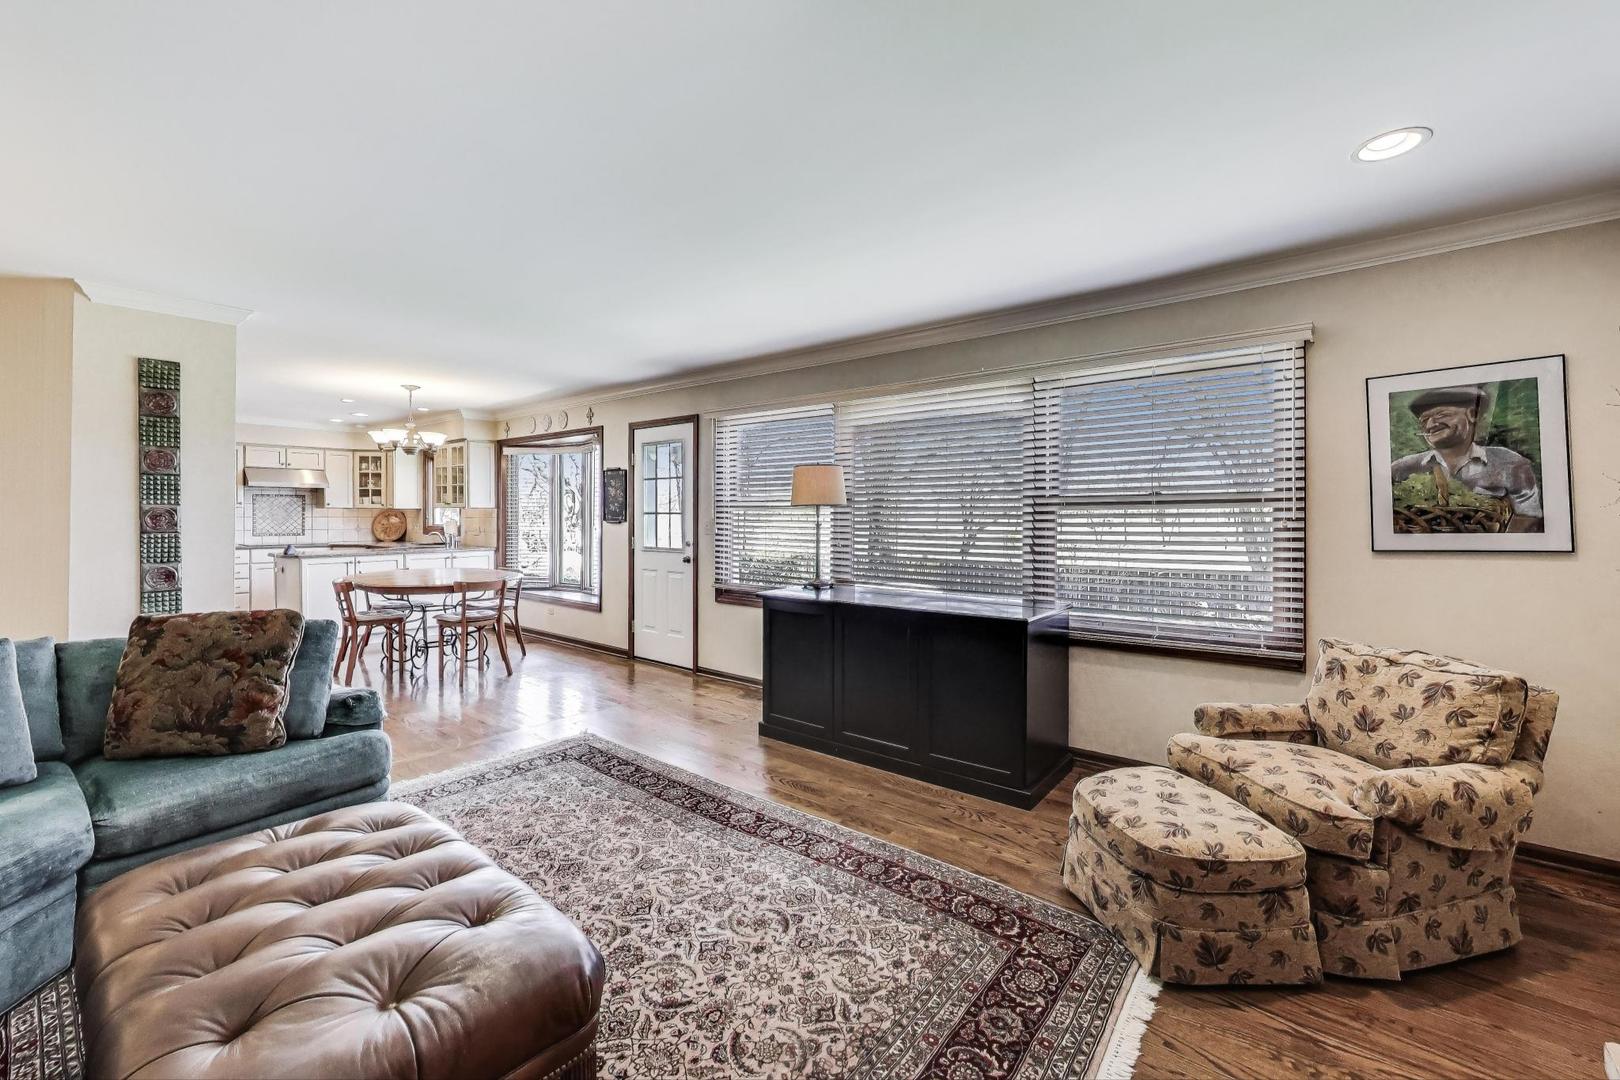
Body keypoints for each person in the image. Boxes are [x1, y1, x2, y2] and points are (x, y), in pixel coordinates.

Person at [1390, 384, 1542, 531]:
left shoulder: (1509, 463)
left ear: (1472, 414)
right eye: (1424, 420)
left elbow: (1528, 518)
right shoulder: (1401, 468)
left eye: (1442, 415)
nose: (1430, 424)